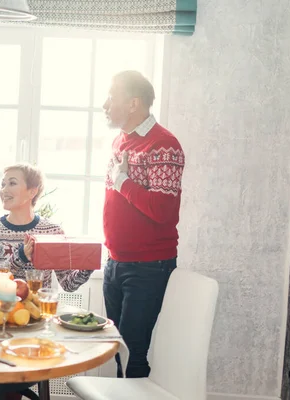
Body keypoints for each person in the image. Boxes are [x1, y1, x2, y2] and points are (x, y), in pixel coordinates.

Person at [102, 70, 185, 378]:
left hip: (148, 266)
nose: (105, 104)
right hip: (116, 262)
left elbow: (162, 210)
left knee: (133, 352)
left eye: (112, 96)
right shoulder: (120, 141)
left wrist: (123, 181)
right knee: (119, 350)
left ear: (134, 102)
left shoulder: (164, 144)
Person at [0, 163, 93, 292]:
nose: (4, 190)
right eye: (3, 184)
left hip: (38, 309)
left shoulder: (53, 232)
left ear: (32, 191)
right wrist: (20, 256)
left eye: (12, 183)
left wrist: (87, 266)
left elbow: (68, 284)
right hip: (2, 308)